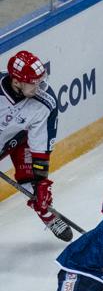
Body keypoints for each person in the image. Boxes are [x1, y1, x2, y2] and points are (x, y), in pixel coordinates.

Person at [0, 50, 72, 242]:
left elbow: (41, 148)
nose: (38, 86)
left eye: (40, 80)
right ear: (16, 82)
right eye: (33, 82)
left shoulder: (44, 102)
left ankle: (47, 213)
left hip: (18, 140)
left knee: (35, 185)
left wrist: (41, 182)